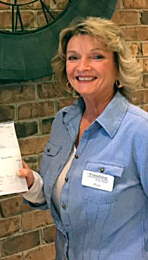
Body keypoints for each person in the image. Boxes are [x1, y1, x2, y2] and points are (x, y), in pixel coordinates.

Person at [18, 17, 146, 260]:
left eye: (97, 57)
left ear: (118, 67)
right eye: (73, 57)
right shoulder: (63, 122)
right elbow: (61, 194)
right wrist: (31, 184)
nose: (82, 67)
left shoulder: (139, 131)